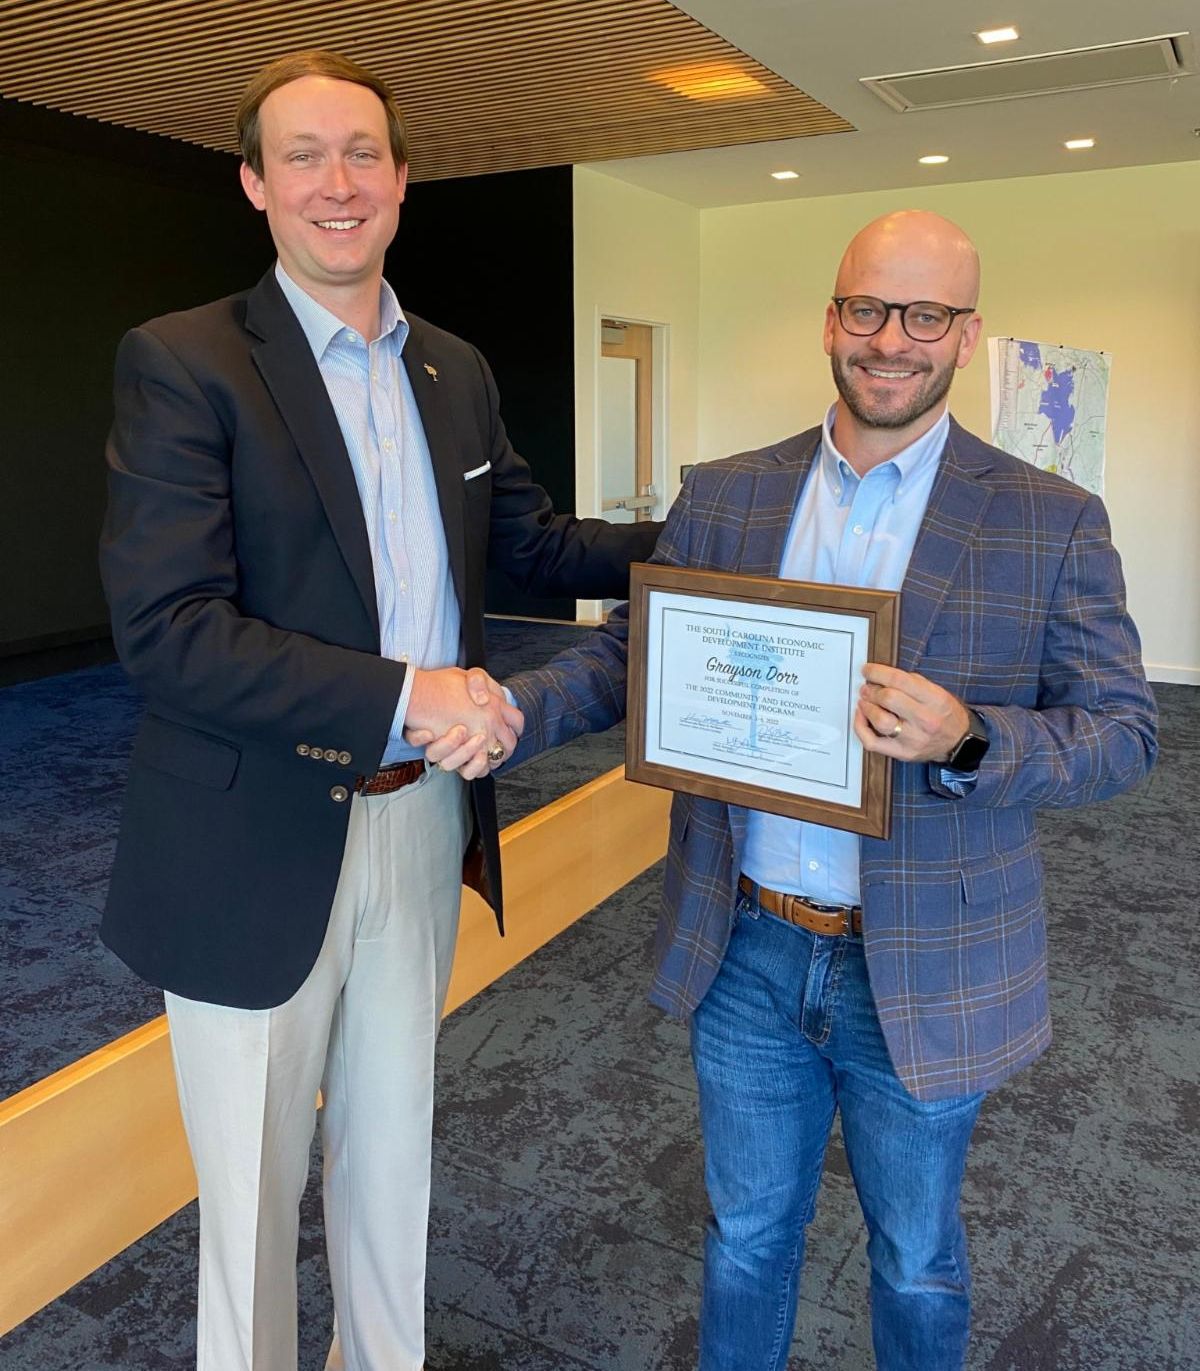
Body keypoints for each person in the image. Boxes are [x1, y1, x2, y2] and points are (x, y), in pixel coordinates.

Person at [416, 210, 1158, 1369]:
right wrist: (516, 711)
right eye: (868, 308)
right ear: (831, 319)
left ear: (967, 336)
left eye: (926, 315)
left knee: (916, 1258)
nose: (891, 339)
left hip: (924, 960)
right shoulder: (729, 495)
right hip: (748, 947)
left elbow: (1123, 734)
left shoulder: (1049, 519)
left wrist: (971, 739)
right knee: (746, 1239)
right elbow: (630, 657)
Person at [98, 49, 659, 1371]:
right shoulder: (184, 361)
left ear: (403, 179)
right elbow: (170, 632)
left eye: (362, 153)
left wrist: (721, 528)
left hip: (422, 820)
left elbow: (533, 544)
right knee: (251, 1192)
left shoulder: (451, 368)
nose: (337, 182)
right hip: (249, 835)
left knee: (391, 1147)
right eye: (303, 155)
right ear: (255, 183)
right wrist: (412, 694)